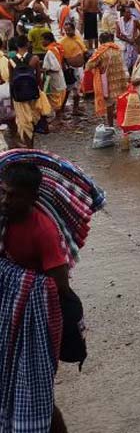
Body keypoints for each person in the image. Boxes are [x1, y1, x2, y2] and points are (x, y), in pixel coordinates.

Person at [0, 163, 73, 433]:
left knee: (34, 387)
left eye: (14, 195)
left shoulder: (43, 231)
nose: (6, 201)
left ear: (32, 197)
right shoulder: (4, 218)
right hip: (7, 314)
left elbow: (59, 285)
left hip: (33, 321)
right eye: (3, 193)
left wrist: (17, 279)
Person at [84, 32, 129, 127]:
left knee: (109, 103)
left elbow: (88, 66)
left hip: (107, 80)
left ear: (100, 41)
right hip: (120, 78)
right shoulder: (117, 49)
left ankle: (110, 125)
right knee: (119, 99)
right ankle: (122, 121)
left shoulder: (101, 51)